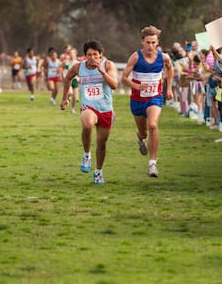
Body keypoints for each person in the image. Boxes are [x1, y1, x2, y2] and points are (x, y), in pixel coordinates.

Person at [60, 40, 118, 185]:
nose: (92, 58)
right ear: (84, 56)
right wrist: (65, 98)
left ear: (101, 55)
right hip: (88, 106)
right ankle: (87, 155)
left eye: (95, 55)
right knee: (87, 125)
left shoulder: (108, 65)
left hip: (105, 109)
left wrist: (102, 72)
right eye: (89, 55)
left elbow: (114, 85)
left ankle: (98, 172)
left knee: (101, 144)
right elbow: (67, 78)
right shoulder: (78, 67)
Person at [121, 25, 173, 177]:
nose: (151, 46)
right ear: (142, 42)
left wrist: (168, 88)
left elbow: (170, 69)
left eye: (153, 42)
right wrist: (136, 85)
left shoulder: (163, 57)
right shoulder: (135, 57)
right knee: (143, 132)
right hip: (137, 100)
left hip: (154, 98)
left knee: (152, 125)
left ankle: (152, 164)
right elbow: (123, 79)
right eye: (148, 42)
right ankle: (140, 139)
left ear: (157, 42)